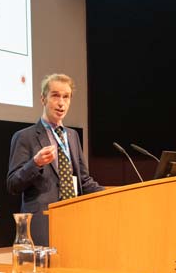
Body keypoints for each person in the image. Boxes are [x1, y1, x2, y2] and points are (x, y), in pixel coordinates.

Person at [7, 74, 104, 246]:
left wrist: (112, 193)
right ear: (43, 99)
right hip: (42, 222)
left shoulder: (72, 136)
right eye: (55, 95)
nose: (61, 103)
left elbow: (84, 180)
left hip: (73, 218)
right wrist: (35, 163)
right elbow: (12, 184)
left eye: (66, 97)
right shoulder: (25, 137)